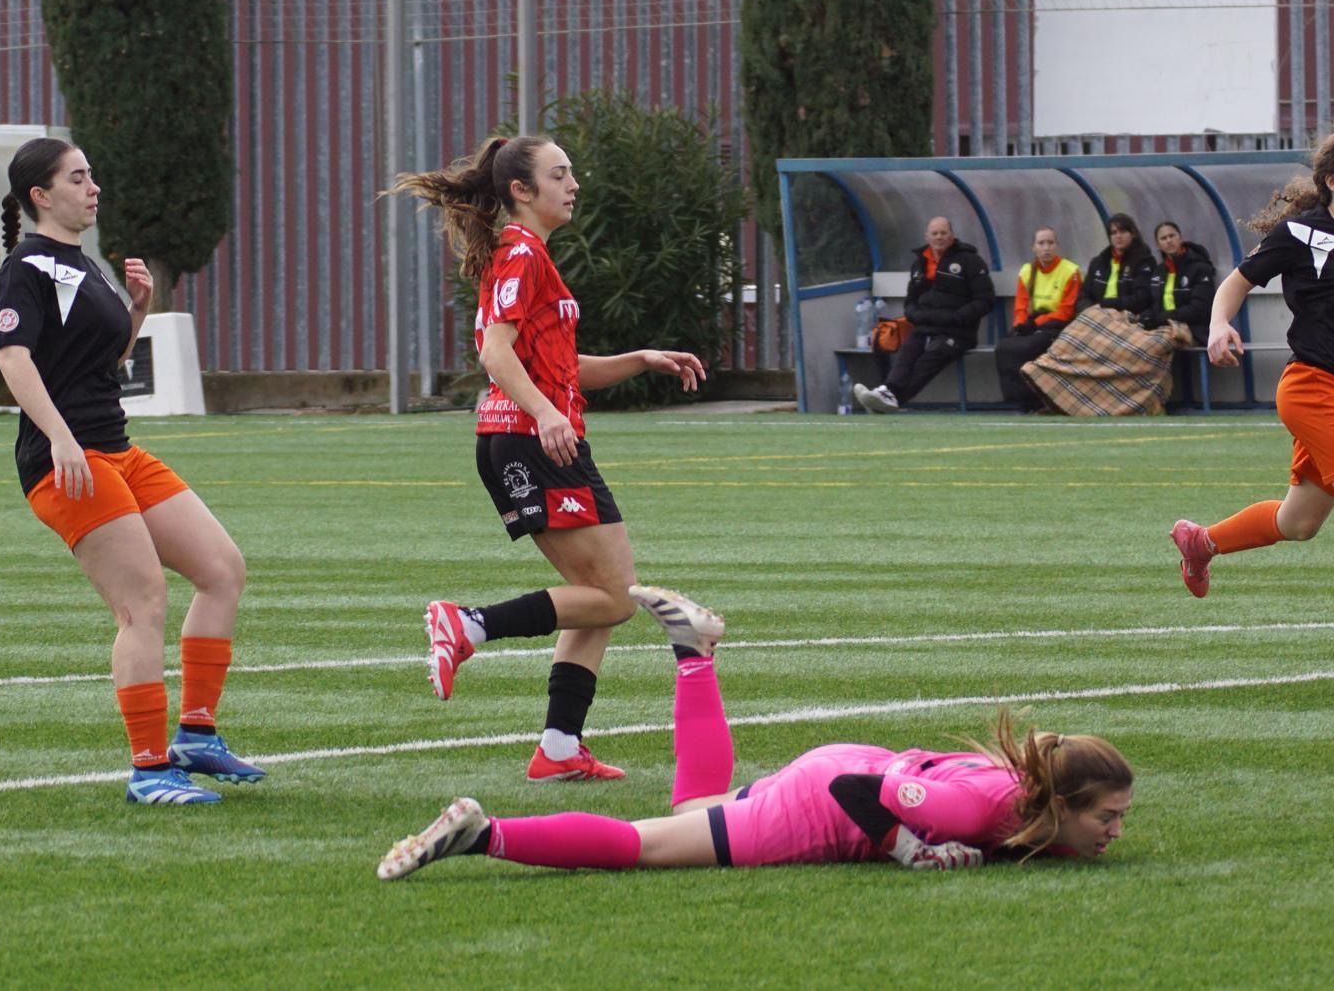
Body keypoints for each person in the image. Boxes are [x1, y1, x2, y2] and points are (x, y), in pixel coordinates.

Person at [377, 587, 1133, 881]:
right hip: (826, 795)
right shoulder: (978, 811)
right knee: (649, 844)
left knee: (694, 802)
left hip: (842, 761)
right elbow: (857, 793)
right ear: (1063, 799)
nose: (1115, 830)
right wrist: (912, 849)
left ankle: (694, 654)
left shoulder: (1033, 806)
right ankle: (483, 834)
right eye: (1106, 815)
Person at [386, 135, 709, 782]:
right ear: (521, 191)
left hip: (535, 436)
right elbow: (496, 354)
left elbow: (562, 368)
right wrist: (546, 414)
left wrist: (640, 359)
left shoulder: (532, 257)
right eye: (560, 174)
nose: (575, 184)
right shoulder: (520, 254)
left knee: (599, 595)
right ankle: (469, 624)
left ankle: (560, 745)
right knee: (613, 597)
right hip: (530, 440)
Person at [0, 137, 260, 805]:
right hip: (67, 460)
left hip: (115, 448)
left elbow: (104, 364)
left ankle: (196, 732)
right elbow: (13, 359)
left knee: (222, 568)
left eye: (91, 175)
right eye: (78, 177)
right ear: (40, 196)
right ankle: (147, 768)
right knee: (141, 602)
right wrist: (59, 437)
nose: (93, 187)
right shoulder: (26, 266)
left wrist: (136, 308)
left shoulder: (85, 265)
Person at [1171, 133, 1334, 597]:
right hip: (1313, 386)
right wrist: (1219, 324)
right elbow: (1237, 282)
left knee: (1299, 522)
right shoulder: (1303, 233)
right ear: (1332, 182)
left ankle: (1202, 543)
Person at [1020, 214, 1180, 416]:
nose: (1118, 236)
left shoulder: (1144, 262)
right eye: (1113, 232)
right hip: (1096, 320)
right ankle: (1053, 390)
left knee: (1126, 349)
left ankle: (1115, 404)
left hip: (1126, 321)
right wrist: (1096, 311)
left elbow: (1141, 298)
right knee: (1068, 345)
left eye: (1123, 231)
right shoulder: (1099, 262)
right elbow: (1083, 297)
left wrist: (1107, 308)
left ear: (1132, 234)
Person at [855, 216, 995, 413]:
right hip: (925, 327)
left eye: (943, 233)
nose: (939, 237)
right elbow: (910, 301)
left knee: (930, 358)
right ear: (927, 236)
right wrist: (914, 315)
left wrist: (957, 317)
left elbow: (986, 300)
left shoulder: (970, 260)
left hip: (958, 333)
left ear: (952, 236)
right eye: (934, 233)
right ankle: (887, 391)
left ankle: (890, 398)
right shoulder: (920, 263)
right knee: (907, 352)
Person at [993, 226, 1081, 412]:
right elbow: (1020, 306)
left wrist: (1035, 324)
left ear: (1057, 246)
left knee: (1027, 347)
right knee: (1004, 346)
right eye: (1041, 243)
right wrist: (1020, 326)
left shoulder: (1070, 271)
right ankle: (1015, 399)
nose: (1046, 248)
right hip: (1032, 325)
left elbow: (1066, 311)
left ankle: (1033, 400)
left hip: (1057, 327)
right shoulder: (1026, 272)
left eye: (1050, 243)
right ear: (1033, 247)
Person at [1139, 221, 1216, 336]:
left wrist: (1163, 317)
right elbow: (1153, 304)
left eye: (1172, 236)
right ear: (1158, 245)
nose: (1169, 241)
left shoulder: (1199, 268)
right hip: (1163, 327)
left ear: (1180, 238)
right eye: (1163, 238)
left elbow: (1199, 309)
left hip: (1193, 329)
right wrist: (1147, 316)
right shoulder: (1158, 271)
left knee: (1148, 346)